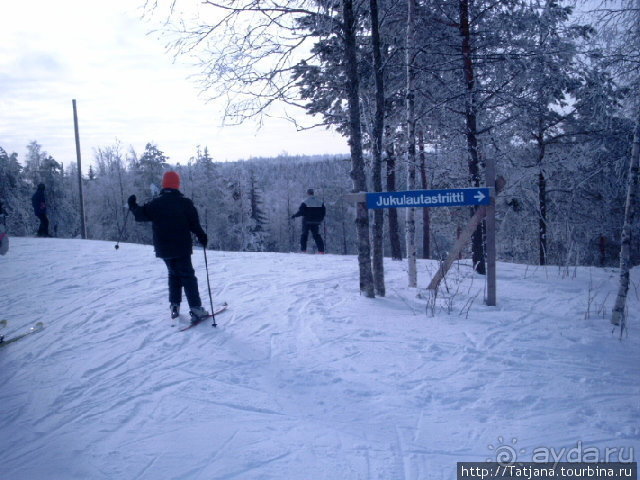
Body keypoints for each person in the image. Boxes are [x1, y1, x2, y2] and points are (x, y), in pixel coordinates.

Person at [128, 171, 209, 321]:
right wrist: (202, 236)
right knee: (187, 276)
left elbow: (140, 215)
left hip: (163, 249)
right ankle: (196, 309)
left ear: (164, 184)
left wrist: (132, 205)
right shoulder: (185, 203)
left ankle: (174, 306)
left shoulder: (156, 203)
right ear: (177, 184)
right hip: (181, 247)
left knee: (173, 273)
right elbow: (194, 224)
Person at [291, 188, 326, 254]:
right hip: (316, 222)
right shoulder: (320, 202)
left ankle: (303, 250)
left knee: (304, 235)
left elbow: (301, 212)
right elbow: (323, 212)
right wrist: (320, 219)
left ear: (308, 193)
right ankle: (321, 251)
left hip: (307, 221)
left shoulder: (305, 202)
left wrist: (294, 216)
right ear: (313, 193)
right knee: (316, 235)